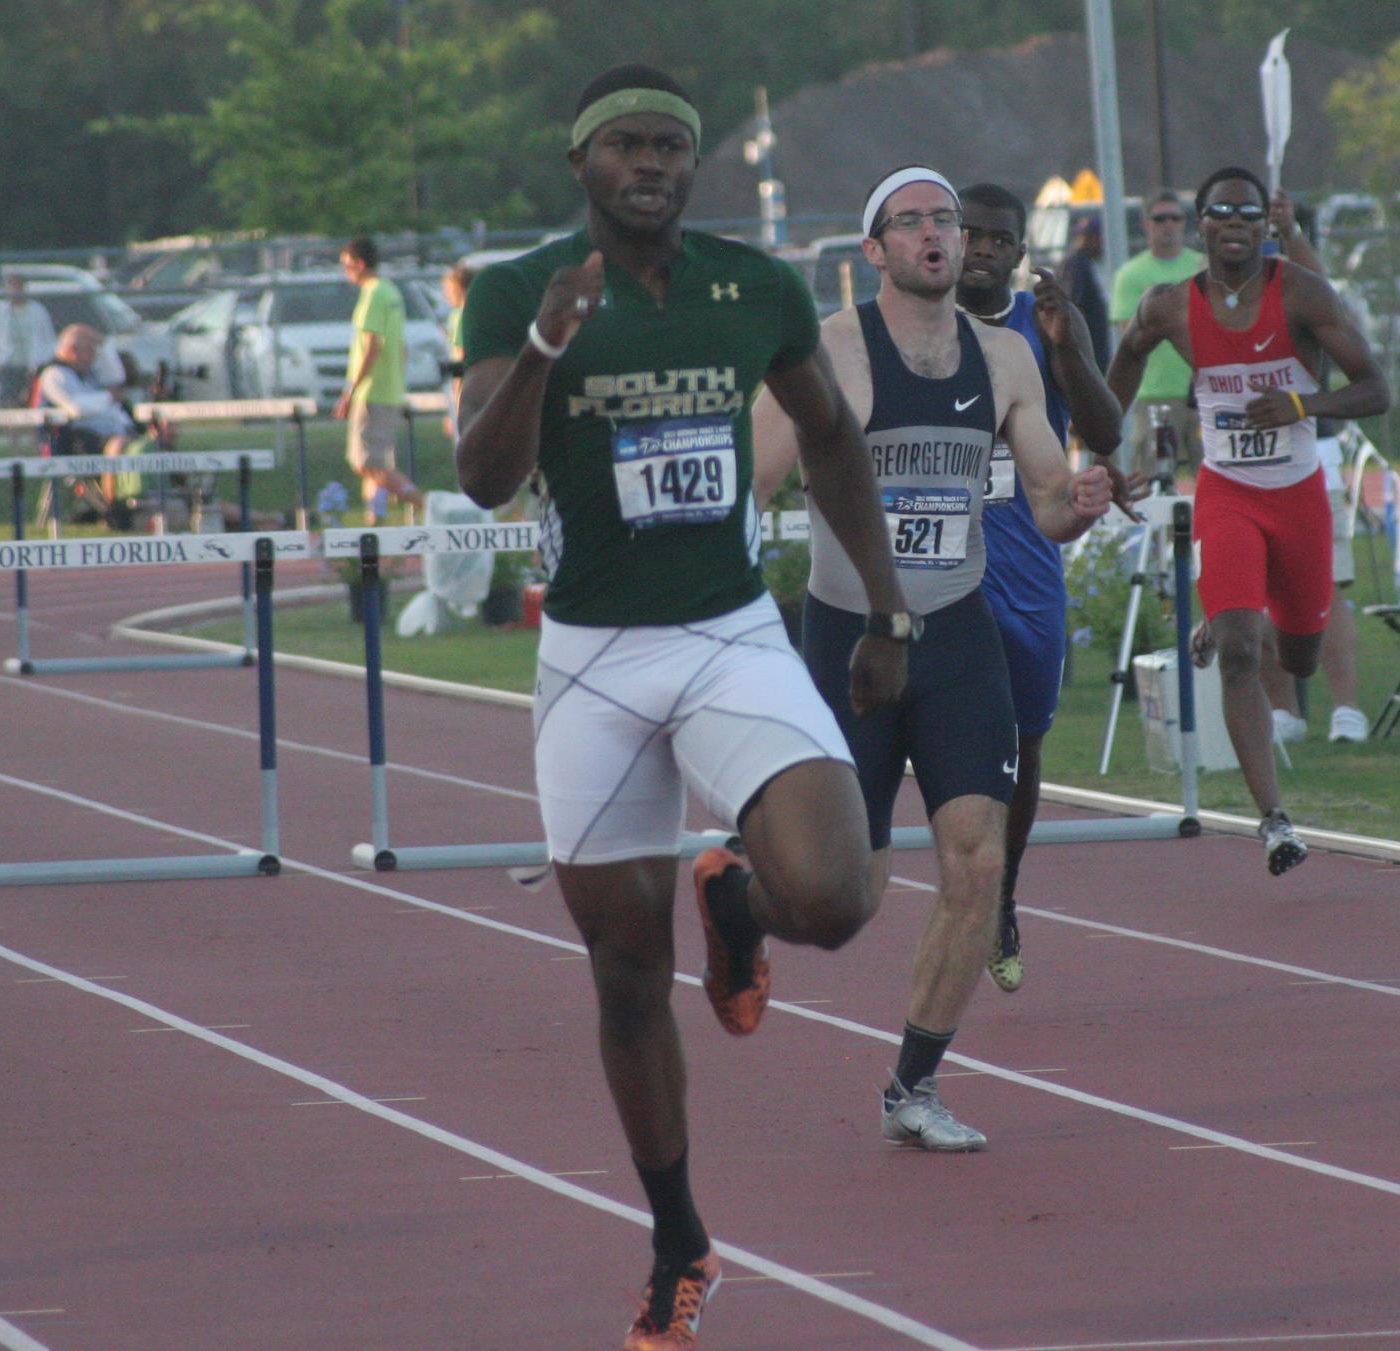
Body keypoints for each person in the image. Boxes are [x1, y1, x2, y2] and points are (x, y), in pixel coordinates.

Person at [453, 65, 910, 1351]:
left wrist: (885, 611)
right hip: (592, 657)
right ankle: (677, 1241)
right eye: (625, 146)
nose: (648, 164)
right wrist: (546, 346)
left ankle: (739, 901)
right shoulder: (517, 291)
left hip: (726, 632)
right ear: (581, 164)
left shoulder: (751, 286)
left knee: (836, 895)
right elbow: (482, 476)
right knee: (623, 971)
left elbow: (829, 436)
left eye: (668, 146)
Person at [753, 165, 1114, 1147]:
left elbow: (1048, 505)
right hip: (850, 638)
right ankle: (741, 902)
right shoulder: (828, 350)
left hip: (957, 633)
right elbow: (753, 480)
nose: (934, 235)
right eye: (909, 221)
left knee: (977, 865)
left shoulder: (1004, 357)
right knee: (845, 894)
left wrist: (1080, 500)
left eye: (944, 220)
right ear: (873, 249)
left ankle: (913, 1085)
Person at [1108, 167, 1390, 875]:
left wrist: (1302, 405)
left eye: (1247, 213)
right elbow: (1125, 360)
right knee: (1240, 652)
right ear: (1200, 225)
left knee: (1297, 660)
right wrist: (1100, 447)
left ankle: (1228, 616)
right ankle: (1274, 820)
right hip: (1227, 492)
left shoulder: (1302, 293)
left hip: (1298, 496)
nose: (1233, 224)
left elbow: (1375, 388)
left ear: (1266, 225)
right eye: (1220, 213)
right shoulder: (1168, 305)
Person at [954, 181, 1132, 993]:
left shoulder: (1046, 320)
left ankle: (1002, 893)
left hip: (1026, 556)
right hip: (940, 555)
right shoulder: (914, 324)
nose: (983, 249)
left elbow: (1106, 430)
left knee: (1023, 744)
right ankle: (957, 876)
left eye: (1000, 239)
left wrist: (1066, 350)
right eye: (971, 233)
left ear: (1020, 253)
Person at [1259, 191, 1368, 745]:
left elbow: (1318, 284)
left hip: (1311, 454)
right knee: (1259, 588)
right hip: (1247, 464)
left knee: (1326, 583)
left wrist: (1291, 231)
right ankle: (1284, 711)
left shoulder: (1307, 290)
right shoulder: (1226, 293)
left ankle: (1346, 708)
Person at [1110, 190, 1204, 484]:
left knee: (1214, 477)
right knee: (1153, 483)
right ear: (1146, 224)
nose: (1169, 225)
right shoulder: (1131, 274)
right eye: (1160, 218)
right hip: (1155, 396)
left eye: (1175, 218)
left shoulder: (1203, 267)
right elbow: (1130, 333)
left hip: (1203, 391)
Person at [333, 237, 424, 526]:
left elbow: (371, 346)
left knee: (365, 463)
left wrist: (350, 391)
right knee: (376, 464)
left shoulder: (373, 295)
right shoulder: (390, 291)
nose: (345, 272)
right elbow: (399, 345)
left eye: (347, 266)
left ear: (360, 264)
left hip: (372, 390)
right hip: (389, 388)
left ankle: (425, 504)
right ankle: (375, 527)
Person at [35, 324, 141, 520]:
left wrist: (104, 343)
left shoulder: (88, 375)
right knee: (118, 445)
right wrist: (108, 397)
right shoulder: (55, 375)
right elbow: (75, 409)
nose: (95, 356)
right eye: (91, 350)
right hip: (72, 441)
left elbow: (117, 377)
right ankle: (113, 508)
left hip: (107, 434)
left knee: (144, 442)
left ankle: (143, 502)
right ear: (73, 351)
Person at [0, 274, 58, 406]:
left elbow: (49, 339)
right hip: (8, 367)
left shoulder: (37, 310)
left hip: (32, 368)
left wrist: (41, 362)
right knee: (8, 401)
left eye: (18, 287)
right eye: (11, 288)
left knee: (31, 401)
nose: (15, 292)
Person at [1057, 212, 1113, 366]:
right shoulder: (1076, 265)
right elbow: (1072, 308)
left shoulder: (1087, 263)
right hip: (1087, 352)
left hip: (1094, 349)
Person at [440, 262, 474, 443]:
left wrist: (455, 406)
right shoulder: (478, 311)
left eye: (448, 289)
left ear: (459, 288)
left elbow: (460, 360)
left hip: (466, 391)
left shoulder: (459, 315)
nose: (446, 295)